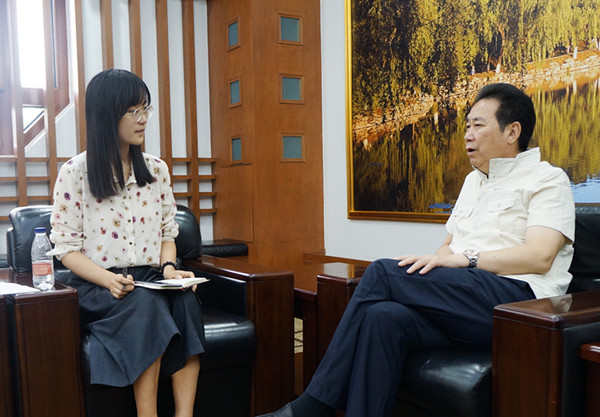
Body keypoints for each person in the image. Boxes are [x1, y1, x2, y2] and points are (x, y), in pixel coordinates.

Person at [258, 83, 575, 417]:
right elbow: (449, 245)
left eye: (478, 125)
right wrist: (435, 267)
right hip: (466, 297)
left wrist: (463, 261)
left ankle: (314, 405)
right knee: (382, 318)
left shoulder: (547, 179)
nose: (467, 135)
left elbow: (540, 256)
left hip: (517, 302)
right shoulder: (473, 181)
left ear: (512, 131)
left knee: (382, 272)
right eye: (467, 125)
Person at [49, 69, 205, 417]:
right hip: (98, 285)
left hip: (149, 277)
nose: (143, 119)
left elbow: (167, 234)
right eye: (133, 111)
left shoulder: (156, 169)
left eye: (145, 109)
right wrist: (109, 280)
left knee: (185, 301)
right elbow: (66, 250)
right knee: (145, 303)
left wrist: (169, 269)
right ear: (107, 114)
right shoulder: (75, 172)